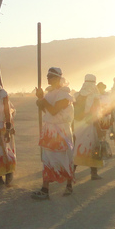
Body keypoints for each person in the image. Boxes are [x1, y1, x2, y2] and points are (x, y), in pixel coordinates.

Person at [32, 67, 75, 198]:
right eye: (47, 76)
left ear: (57, 78)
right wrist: (41, 103)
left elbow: (54, 111)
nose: (47, 78)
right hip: (50, 130)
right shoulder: (50, 93)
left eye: (50, 76)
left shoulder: (64, 95)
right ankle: (45, 189)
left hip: (61, 131)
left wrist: (42, 99)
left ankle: (69, 185)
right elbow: (49, 114)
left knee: (64, 157)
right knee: (47, 159)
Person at [72, 74, 105, 181]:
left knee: (77, 149)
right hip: (90, 126)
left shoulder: (77, 96)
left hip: (77, 127)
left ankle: (71, 173)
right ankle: (94, 174)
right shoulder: (95, 97)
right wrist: (99, 129)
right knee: (93, 149)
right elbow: (95, 115)